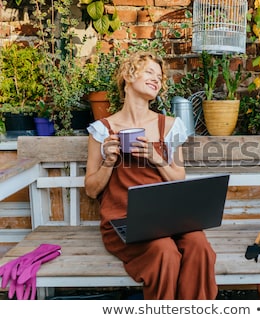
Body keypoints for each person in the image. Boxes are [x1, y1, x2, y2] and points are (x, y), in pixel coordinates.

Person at [84, 50, 218, 300]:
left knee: (199, 245)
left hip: (168, 217)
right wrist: (109, 162)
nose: (156, 79)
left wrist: (157, 158)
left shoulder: (167, 126)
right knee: (164, 251)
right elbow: (91, 190)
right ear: (128, 75)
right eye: (149, 72)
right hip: (124, 221)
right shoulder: (103, 130)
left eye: (159, 76)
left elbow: (178, 178)